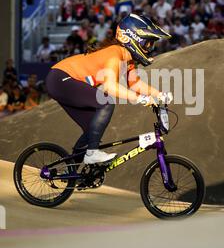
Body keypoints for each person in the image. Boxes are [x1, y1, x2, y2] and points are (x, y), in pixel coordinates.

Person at [46, 14, 172, 165]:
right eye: (148, 43)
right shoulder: (115, 53)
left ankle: (72, 170)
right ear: (131, 37)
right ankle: (92, 153)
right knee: (106, 102)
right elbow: (109, 86)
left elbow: (136, 84)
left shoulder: (128, 59)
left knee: (92, 130)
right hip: (60, 78)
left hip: (62, 80)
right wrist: (140, 98)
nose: (150, 48)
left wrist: (160, 95)